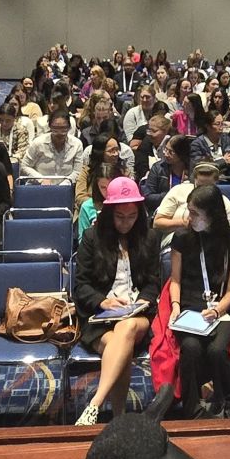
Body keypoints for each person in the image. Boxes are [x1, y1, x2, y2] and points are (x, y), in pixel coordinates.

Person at [72, 177, 162, 426]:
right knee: (123, 347)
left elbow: (153, 282)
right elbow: (82, 286)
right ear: (109, 214)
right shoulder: (92, 238)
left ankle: (94, 405)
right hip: (99, 317)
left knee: (128, 327)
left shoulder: (149, 238)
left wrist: (141, 302)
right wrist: (104, 302)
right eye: (120, 216)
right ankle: (119, 417)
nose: (126, 222)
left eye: (131, 216)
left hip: (137, 315)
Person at [165, 183, 230, 418]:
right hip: (189, 308)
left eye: (195, 213)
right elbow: (175, 280)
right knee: (191, 348)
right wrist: (176, 306)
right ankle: (191, 409)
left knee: (218, 351)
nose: (189, 217)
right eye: (189, 210)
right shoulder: (182, 238)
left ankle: (227, 404)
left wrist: (218, 311)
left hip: (222, 309)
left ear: (212, 214)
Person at [19, 111, 85, 183]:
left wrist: (65, 184)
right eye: (55, 128)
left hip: (67, 188)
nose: (59, 133)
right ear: (50, 127)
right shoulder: (38, 143)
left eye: (63, 128)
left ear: (69, 127)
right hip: (39, 187)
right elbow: (25, 166)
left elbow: (77, 171)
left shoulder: (77, 144)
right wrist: (41, 179)